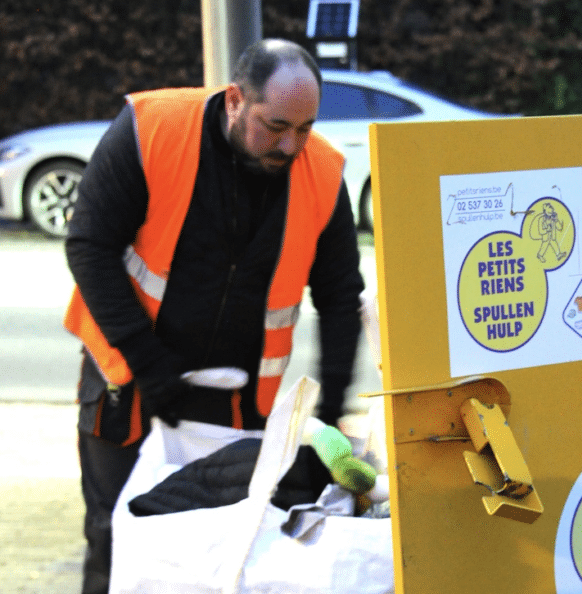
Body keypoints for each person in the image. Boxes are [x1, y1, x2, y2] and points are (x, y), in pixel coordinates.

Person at [64, 39, 365, 594]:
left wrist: (330, 411)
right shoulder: (150, 129)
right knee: (115, 538)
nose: (290, 144)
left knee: (223, 548)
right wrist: (147, 361)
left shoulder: (322, 172)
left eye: (304, 128)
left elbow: (341, 297)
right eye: (275, 126)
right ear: (234, 100)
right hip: (129, 382)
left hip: (234, 400)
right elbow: (89, 245)